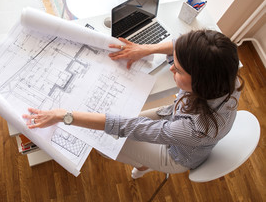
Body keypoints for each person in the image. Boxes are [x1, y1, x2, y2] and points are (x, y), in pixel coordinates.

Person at [22, 29, 244, 179]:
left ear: (201, 82)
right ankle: (144, 159)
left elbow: (128, 127)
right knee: (114, 128)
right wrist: (147, 49)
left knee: (105, 144)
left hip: (178, 154)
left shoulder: (194, 130)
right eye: (174, 61)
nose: (171, 68)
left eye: (178, 69)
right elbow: (180, 45)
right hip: (174, 117)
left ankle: (146, 163)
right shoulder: (225, 73)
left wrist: (65, 116)